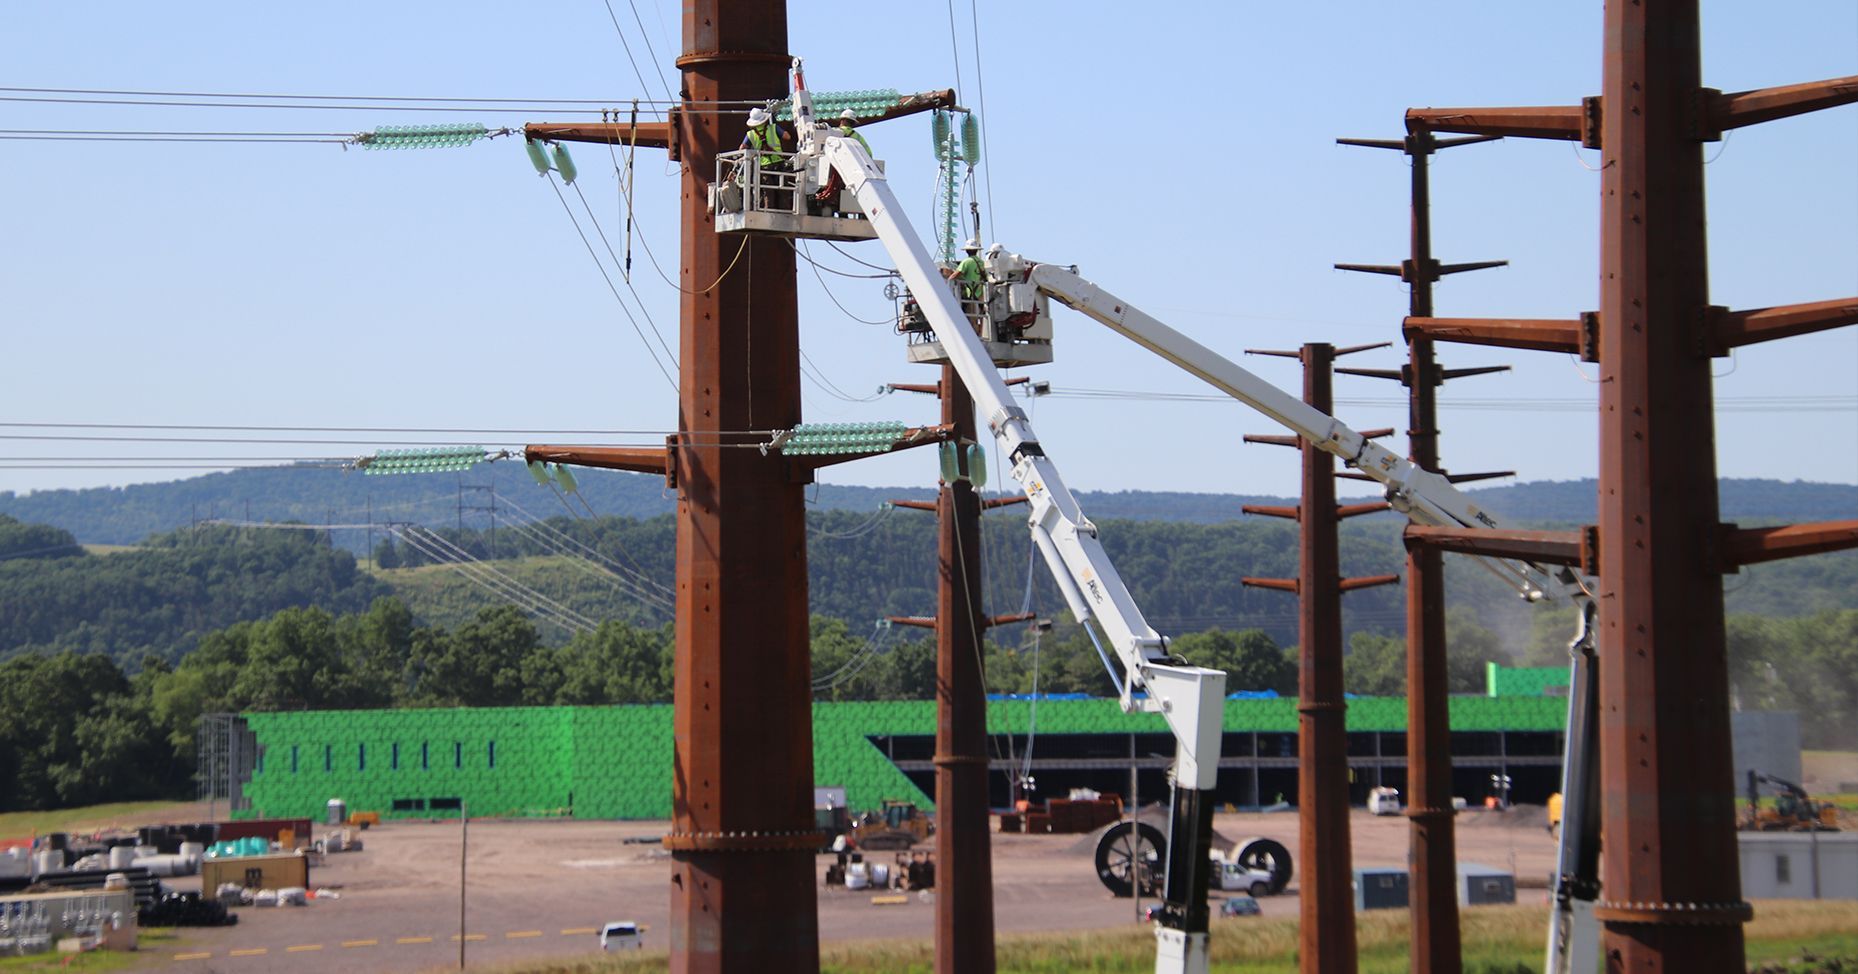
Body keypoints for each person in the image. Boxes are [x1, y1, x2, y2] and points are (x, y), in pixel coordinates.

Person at [813, 109, 870, 207]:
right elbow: (869, 153)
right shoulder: (858, 137)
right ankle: (843, 210)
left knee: (834, 185)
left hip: (839, 166)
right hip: (856, 168)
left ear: (842, 121)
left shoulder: (835, 133)